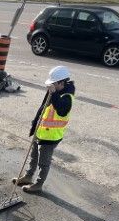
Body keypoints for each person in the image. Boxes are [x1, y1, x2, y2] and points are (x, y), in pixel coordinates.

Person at [15, 64, 75, 194]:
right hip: (40, 132)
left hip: (51, 137)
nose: (51, 86)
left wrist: (53, 93)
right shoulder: (54, 91)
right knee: (33, 157)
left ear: (62, 82)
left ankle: (38, 184)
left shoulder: (67, 98)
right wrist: (35, 124)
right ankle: (28, 176)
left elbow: (60, 109)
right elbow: (43, 108)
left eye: (54, 83)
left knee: (44, 162)